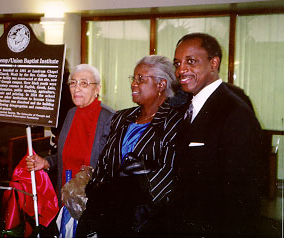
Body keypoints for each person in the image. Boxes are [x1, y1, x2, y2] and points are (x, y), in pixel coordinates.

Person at [76, 55, 183, 237]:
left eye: (140, 78)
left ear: (161, 85)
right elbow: (104, 163)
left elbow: (170, 174)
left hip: (145, 220)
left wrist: (141, 179)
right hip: (106, 213)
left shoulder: (174, 121)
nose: (133, 84)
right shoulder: (121, 117)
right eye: (133, 78)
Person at [170, 33, 264, 236]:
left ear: (214, 63)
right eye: (177, 63)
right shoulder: (189, 105)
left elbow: (243, 193)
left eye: (191, 61)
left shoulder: (234, 111)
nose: (181, 70)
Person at [26, 64, 114, 202]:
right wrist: (46, 162)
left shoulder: (109, 118)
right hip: (65, 194)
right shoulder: (71, 114)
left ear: (97, 89)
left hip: (92, 200)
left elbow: (111, 167)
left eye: (84, 83)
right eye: (73, 83)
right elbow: (66, 154)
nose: (76, 88)